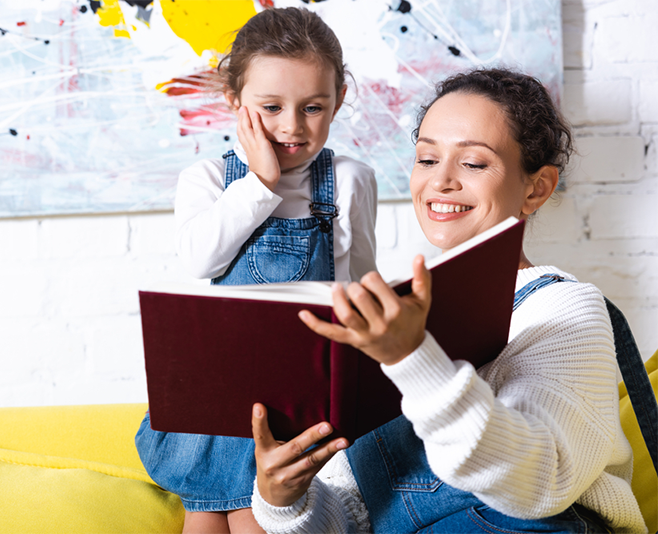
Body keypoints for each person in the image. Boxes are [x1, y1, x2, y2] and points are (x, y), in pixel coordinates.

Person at [249, 68, 649, 534]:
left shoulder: (563, 310)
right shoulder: (381, 320)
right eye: (426, 159)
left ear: (536, 188)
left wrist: (413, 359)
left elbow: (540, 484)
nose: (441, 182)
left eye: (473, 164)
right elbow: (354, 519)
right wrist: (284, 500)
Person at [135, 7, 378, 534]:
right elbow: (202, 260)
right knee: (204, 515)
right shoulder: (207, 180)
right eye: (270, 107)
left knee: (257, 519)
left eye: (313, 107)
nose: (292, 126)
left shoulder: (350, 180)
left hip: (297, 397)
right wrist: (262, 184)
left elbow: (358, 285)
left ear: (338, 100)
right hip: (219, 399)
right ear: (234, 102)